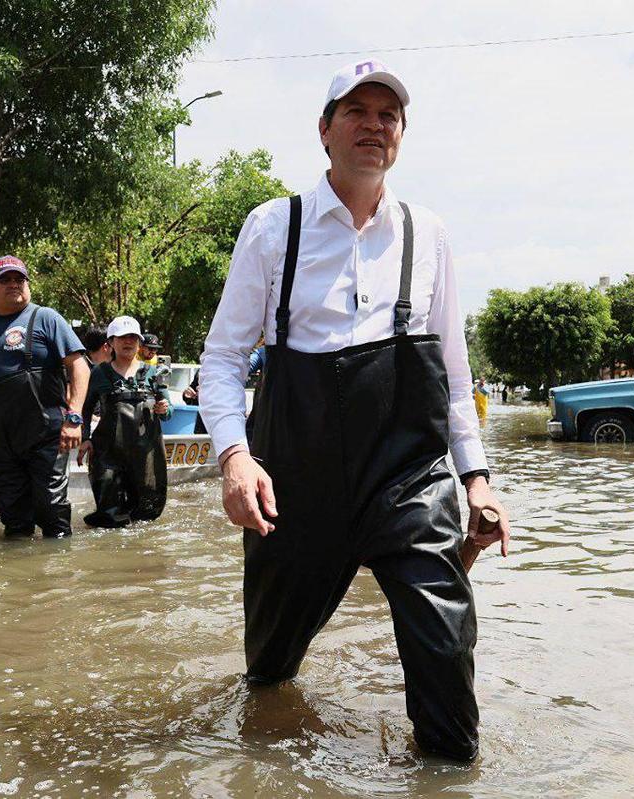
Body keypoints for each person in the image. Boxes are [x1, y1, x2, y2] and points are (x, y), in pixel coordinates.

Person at [199, 59, 511, 762]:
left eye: (388, 115)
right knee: (269, 671)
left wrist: (477, 481)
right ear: (325, 130)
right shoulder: (274, 227)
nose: (375, 126)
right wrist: (235, 457)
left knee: (445, 638)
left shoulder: (426, 233)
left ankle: (448, 772)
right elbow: (221, 360)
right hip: (293, 485)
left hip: (405, 480)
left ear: (400, 133)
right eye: (357, 112)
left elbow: (454, 376)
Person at [0, 255, 89, 538]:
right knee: (12, 516)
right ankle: (17, 576)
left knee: (50, 510)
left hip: (46, 435)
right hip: (2, 441)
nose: (13, 284)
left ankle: (57, 576)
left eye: (19, 279)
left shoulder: (46, 318)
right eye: (5, 280)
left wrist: (74, 418)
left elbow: (79, 367)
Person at [77, 316, 171, 527]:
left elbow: (168, 410)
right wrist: (85, 439)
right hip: (108, 454)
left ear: (139, 342)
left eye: (132, 337)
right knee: (109, 518)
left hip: (146, 455)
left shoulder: (154, 373)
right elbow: (85, 409)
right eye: (121, 337)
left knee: (146, 517)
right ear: (110, 342)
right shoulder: (99, 374)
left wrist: (164, 408)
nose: (127, 342)